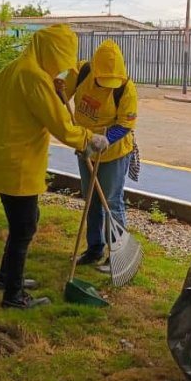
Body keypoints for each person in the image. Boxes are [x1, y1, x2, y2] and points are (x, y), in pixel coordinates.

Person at [0, 24, 109, 309]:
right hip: (19, 166)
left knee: (23, 222)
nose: (62, 67)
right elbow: (60, 123)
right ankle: (13, 296)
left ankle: (6, 276)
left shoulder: (12, 69)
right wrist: (89, 139)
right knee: (24, 228)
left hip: (3, 159)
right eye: (60, 60)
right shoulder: (34, 77)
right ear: (49, 52)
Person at [59, 40, 138, 266]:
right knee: (91, 199)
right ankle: (94, 248)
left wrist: (106, 139)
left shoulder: (126, 89)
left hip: (113, 152)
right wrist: (59, 81)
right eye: (103, 81)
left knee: (111, 202)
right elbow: (64, 79)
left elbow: (125, 124)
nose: (107, 86)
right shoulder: (82, 70)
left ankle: (118, 256)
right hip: (85, 147)